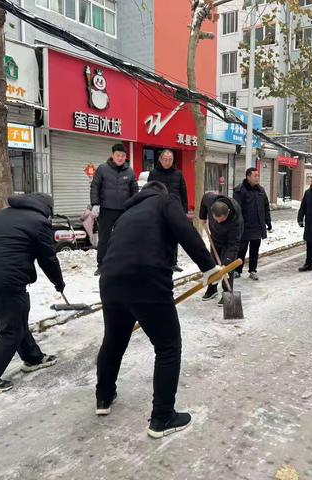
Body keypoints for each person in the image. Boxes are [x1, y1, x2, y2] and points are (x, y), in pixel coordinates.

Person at [95, 181, 220, 439]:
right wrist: (208, 267)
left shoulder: (126, 213)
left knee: (114, 340)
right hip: (146, 278)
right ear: (162, 191)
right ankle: (163, 418)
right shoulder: (166, 200)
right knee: (168, 347)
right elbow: (185, 230)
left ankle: (104, 398)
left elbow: (108, 245)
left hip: (110, 279)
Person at [0, 193, 65, 394]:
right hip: (6, 282)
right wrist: (58, 283)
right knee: (11, 330)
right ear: (46, 209)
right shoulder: (39, 222)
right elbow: (48, 258)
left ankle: (32, 357)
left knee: (16, 320)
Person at [90, 144, 138, 275]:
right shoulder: (102, 169)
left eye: (123, 156)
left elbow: (135, 191)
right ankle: (102, 265)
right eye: (118, 155)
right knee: (104, 238)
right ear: (112, 155)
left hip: (124, 211)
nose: (120, 158)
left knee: (124, 237)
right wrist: (95, 204)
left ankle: (122, 263)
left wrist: (135, 206)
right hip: (106, 209)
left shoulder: (130, 171)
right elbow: (95, 187)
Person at [147, 149, 189, 272]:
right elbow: (148, 192)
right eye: (165, 159)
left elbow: (183, 192)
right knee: (159, 236)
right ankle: (159, 261)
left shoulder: (178, 174)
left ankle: (173, 262)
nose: (167, 162)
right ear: (160, 159)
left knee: (174, 236)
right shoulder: (154, 174)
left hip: (175, 210)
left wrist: (184, 210)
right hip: (158, 209)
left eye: (170, 160)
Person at [199, 192, 243, 304]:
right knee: (212, 265)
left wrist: (227, 262)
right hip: (215, 239)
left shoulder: (236, 221)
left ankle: (227, 293)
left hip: (229, 242)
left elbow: (233, 245)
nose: (218, 222)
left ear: (227, 213)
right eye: (216, 219)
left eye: (221, 220)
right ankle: (212, 289)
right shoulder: (211, 200)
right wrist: (202, 216)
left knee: (226, 268)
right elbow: (204, 199)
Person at [233, 167, 272, 280]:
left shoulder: (261, 190)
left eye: (257, 175)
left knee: (255, 250)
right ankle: (237, 270)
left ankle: (253, 270)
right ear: (248, 176)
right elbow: (236, 209)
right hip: (244, 226)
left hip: (257, 226)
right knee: (241, 250)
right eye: (255, 175)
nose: (257, 177)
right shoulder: (239, 190)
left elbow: (266, 207)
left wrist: (268, 221)